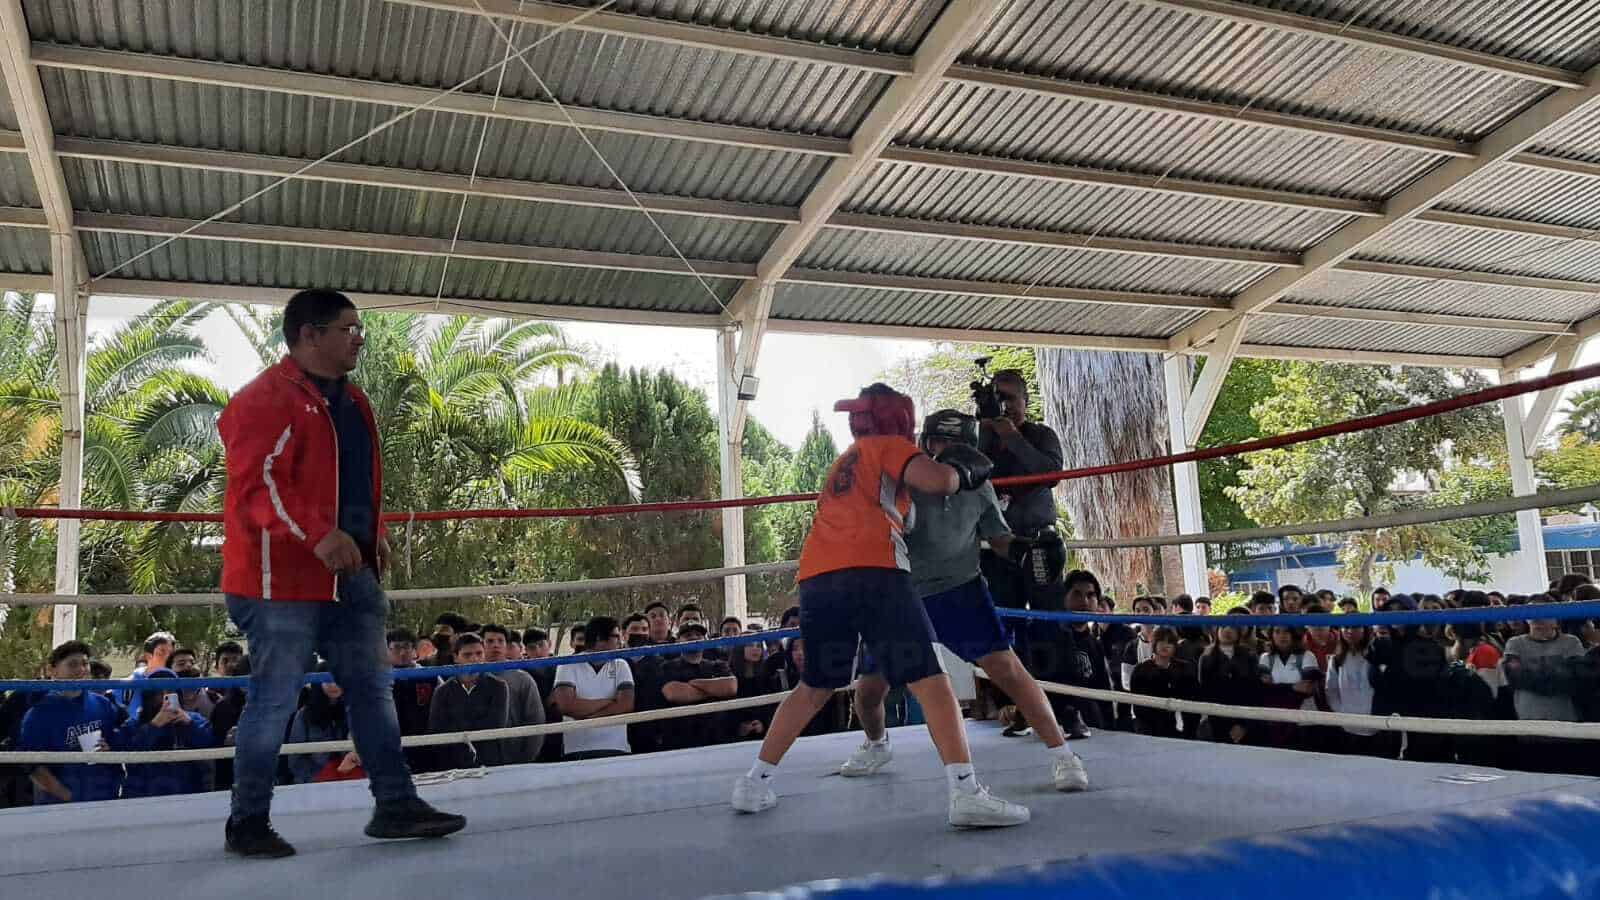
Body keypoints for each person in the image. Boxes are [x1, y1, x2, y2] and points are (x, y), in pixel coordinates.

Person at [218, 288, 462, 857]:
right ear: (310, 334)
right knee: (273, 701)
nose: (359, 339)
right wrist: (318, 535)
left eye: (360, 330)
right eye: (348, 329)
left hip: (349, 575)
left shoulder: (354, 402)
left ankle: (395, 803)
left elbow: (352, 481)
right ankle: (246, 821)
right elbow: (258, 486)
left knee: (374, 692)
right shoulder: (262, 400)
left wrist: (369, 534)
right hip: (278, 583)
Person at [731, 384, 1029, 828]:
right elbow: (939, 481)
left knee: (815, 685)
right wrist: (964, 470)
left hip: (817, 579)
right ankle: (966, 792)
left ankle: (754, 782)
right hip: (874, 571)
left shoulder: (844, 461)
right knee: (931, 681)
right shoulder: (888, 446)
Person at [839, 409, 1087, 793]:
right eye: (939, 441)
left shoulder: (981, 488)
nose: (945, 450)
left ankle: (1063, 756)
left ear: (971, 448)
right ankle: (876, 745)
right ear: (925, 444)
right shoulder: (902, 481)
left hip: (959, 590)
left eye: (955, 444)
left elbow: (999, 539)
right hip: (901, 595)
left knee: (1008, 669)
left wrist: (1027, 550)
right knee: (869, 691)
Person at [977, 370, 1065, 612]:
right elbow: (968, 477)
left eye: (1011, 398)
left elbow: (1051, 475)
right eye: (999, 399)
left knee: (1049, 622)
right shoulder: (981, 438)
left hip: (1038, 543)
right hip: (994, 546)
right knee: (1002, 620)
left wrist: (1012, 437)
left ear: (1026, 400)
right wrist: (985, 431)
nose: (1005, 406)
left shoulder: (1041, 434)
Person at [19, 641, 124, 804]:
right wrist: (69, 797)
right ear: (52, 670)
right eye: (73, 664)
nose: (82, 669)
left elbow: (118, 741)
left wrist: (110, 748)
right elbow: (34, 768)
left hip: (104, 797)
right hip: (60, 807)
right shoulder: (38, 715)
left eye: (85, 663)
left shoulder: (103, 704)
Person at [1503, 617, 1586, 773]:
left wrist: (1531, 673)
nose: (1539, 619)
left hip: (1566, 720)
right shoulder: (1515, 643)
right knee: (1534, 775)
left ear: (1556, 620)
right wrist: (1556, 673)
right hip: (1529, 720)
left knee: (1570, 775)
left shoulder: (1571, 642)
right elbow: (1515, 676)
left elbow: (1576, 677)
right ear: (1527, 620)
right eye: (1534, 615)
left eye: (1545, 614)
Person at [120, 669, 215, 797]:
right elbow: (126, 753)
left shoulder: (194, 719)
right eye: (159, 692)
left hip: (187, 794)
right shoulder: (134, 723)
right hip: (143, 795)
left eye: (170, 692)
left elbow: (210, 743)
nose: (165, 699)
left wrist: (190, 724)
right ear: (149, 696)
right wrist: (153, 726)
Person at [552, 617, 634, 761]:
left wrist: (590, 719)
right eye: (615, 636)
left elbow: (626, 705)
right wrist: (609, 701)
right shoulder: (567, 665)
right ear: (599, 639)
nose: (620, 641)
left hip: (617, 748)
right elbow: (567, 706)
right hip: (576, 750)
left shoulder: (621, 664)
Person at [429, 634, 513, 769]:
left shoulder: (498, 686)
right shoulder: (443, 691)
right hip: (452, 765)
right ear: (456, 657)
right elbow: (437, 728)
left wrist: (459, 726)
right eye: (467, 655)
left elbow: (496, 724)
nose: (475, 659)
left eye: (479, 653)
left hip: (490, 763)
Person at [656, 621, 738, 751]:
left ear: (705, 640)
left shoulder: (718, 665)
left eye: (698, 635)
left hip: (717, 741)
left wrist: (694, 684)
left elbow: (731, 687)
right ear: (678, 641)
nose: (693, 638)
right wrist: (714, 689)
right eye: (688, 635)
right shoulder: (667, 667)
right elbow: (673, 693)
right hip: (680, 743)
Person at [481, 624, 545, 764]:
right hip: (480, 757)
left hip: (515, 755)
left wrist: (527, 757)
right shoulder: (471, 677)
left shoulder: (522, 679)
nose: (495, 645)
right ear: (482, 645)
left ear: (506, 645)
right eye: (490, 641)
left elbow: (535, 719)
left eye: (500, 641)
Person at [1198, 613, 1260, 746]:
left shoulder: (1249, 656)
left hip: (1245, 716)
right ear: (1217, 631)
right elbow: (1205, 691)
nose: (1227, 630)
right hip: (1217, 718)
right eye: (1223, 626)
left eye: (1232, 627)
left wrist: (1243, 724)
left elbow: (1254, 690)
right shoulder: (1206, 657)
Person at [1128, 627, 1198, 739]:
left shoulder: (1185, 669)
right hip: (1149, 728)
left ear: (1175, 646)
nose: (1165, 645)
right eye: (1161, 641)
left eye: (1169, 642)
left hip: (1179, 727)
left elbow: (1192, 699)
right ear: (1154, 643)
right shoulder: (1141, 670)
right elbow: (1137, 705)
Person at [1325, 625, 1381, 756]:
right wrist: (1342, 712)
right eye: (1346, 627)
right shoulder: (1336, 659)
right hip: (1348, 726)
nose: (1350, 631)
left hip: (1376, 725)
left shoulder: (1376, 655)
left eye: (1356, 627)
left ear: (1364, 629)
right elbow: (1330, 689)